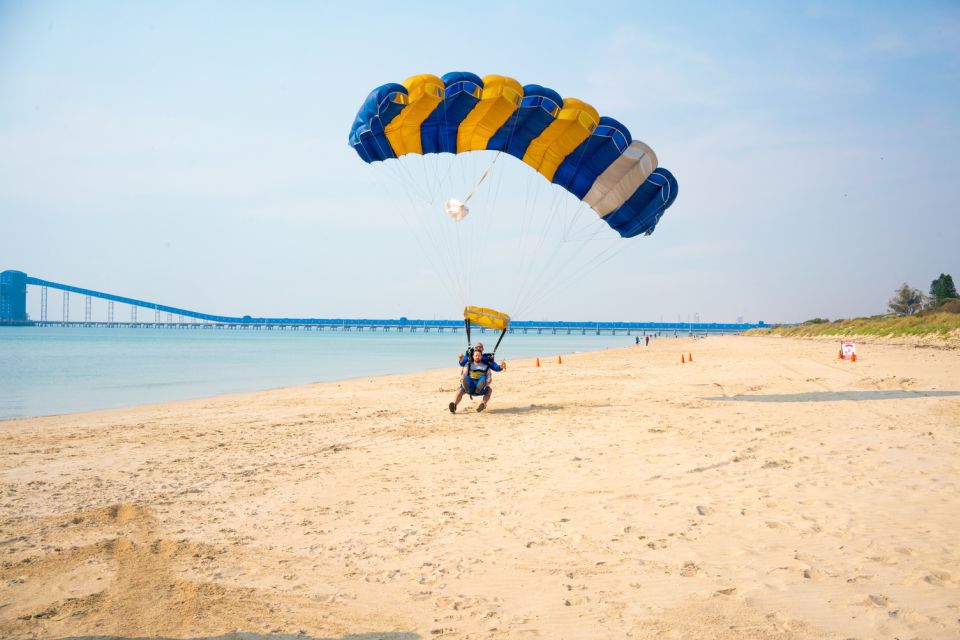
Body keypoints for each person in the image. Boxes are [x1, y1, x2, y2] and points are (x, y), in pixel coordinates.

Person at [449, 346, 502, 413]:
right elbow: (464, 374)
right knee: (462, 385)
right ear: (473, 356)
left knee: (487, 385)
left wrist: (489, 380)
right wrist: (462, 379)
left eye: (479, 355)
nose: (477, 357)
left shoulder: (486, 366)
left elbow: (489, 376)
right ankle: (454, 405)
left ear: (481, 356)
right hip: (470, 385)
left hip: (480, 388)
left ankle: (483, 404)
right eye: (476, 355)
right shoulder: (468, 364)